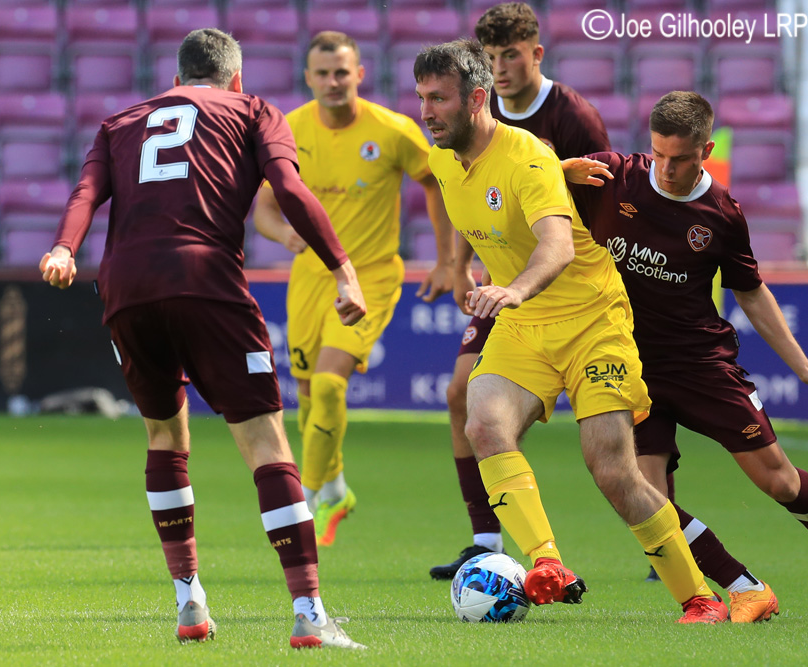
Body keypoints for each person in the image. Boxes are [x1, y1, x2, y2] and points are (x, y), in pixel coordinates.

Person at [39, 28, 368, 649]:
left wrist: (63, 247)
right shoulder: (254, 110)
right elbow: (290, 191)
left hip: (126, 287)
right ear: (235, 79)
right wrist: (342, 270)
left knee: (164, 437)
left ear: (175, 81)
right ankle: (309, 612)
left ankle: (190, 604)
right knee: (267, 444)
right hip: (205, 280)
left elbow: (86, 193)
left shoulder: (120, 122)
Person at [414, 39, 727, 624]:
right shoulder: (442, 158)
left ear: (477, 98)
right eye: (422, 98)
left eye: (440, 99)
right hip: (526, 327)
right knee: (482, 421)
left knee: (610, 468)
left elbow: (556, 244)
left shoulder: (528, 154)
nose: (427, 111)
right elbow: (484, 193)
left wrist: (513, 289)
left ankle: (700, 598)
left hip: (590, 320)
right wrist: (460, 266)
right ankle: (547, 563)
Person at [563, 90, 808, 619]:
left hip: (698, 362)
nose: (665, 169)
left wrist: (802, 365)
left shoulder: (721, 215)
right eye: (658, 154)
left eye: (681, 158)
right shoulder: (610, 176)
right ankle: (744, 586)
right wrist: (557, 173)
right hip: (626, 362)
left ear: (706, 150)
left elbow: (752, 292)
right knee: (643, 494)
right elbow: (527, 189)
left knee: (778, 480)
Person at [429, 1, 613, 581]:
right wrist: (458, 264)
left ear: (536, 53)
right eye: (490, 57)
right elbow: (472, 191)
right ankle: (488, 539)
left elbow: (589, 204)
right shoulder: (461, 126)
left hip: (571, 282)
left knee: (619, 427)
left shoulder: (572, 115)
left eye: (510, 55)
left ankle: (666, 525)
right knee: (464, 395)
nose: (500, 67)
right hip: (507, 283)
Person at [254, 31, 454, 547]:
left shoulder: (392, 130)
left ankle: (303, 498)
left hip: (371, 276)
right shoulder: (288, 130)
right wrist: (285, 235)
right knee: (306, 399)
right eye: (322, 73)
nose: (332, 82)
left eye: (342, 71)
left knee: (329, 386)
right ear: (308, 79)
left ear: (359, 74)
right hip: (309, 279)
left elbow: (437, 180)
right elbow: (265, 211)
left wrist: (448, 260)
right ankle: (337, 490)